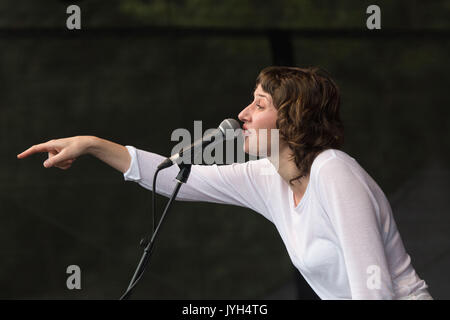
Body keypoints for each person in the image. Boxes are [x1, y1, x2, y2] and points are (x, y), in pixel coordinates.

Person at [17, 66, 433, 300]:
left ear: (293, 119)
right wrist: (92, 145)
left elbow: (374, 289)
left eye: (260, 103)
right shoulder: (268, 177)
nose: (244, 113)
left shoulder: (333, 171)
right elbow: (175, 176)